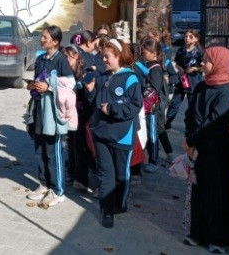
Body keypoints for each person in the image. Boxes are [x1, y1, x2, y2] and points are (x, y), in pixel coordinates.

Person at [182, 46, 229, 253]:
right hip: (199, 148)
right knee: (199, 189)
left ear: (219, 64)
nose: (203, 63)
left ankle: (217, 238)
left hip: (217, 151)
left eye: (207, 60)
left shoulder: (226, 91)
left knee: (217, 193)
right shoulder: (202, 86)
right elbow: (189, 113)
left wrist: (191, 140)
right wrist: (189, 137)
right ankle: (198, 233)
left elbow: (213, 122)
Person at [85, 39, 142, 228]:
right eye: (102, 56)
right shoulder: (104, 77)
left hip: (121, 135)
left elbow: (135, 106)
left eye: (107, 56)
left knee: (121, 175)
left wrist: (112, 109)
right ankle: (107, 210)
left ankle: (120, 204)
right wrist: (90, 91)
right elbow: (96, 102)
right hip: (100, 133)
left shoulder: (130, 78)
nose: (104, 59)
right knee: (105, 174)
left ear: (118, 56)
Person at [25, 25, 74, 207]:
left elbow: (70, 84)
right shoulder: (40, 59)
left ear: (55, 41)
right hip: (39, 109)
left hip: (53, 113)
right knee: (39, 150)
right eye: (42, 36)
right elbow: (38, 80)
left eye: (45, 37)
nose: (42, 39)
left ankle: (57, 190)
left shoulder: (61, 60)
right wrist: (33, 86)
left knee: (53, 151)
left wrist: (50, 87)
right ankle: (44, 183)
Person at [63, 45, 92, 192]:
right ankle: (72, 172)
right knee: (71, 144)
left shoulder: (85, 73)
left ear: (75, 56)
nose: (65, 60)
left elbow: (89, 96)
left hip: (82, 114)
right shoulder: (66, 72)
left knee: (80, 147)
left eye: (67, 57)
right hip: (70, 113)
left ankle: (81, 178)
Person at [140, 37, 171, 172]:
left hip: (152, 109)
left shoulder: (155, 69)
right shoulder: (149, 66)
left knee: (153, 134)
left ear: (154, 53)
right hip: (147, 108)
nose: (143, 54)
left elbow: (153, 89)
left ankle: (154, 160)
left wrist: (144, 101)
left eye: (146, 52)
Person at [165, 29, 204, 131]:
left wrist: (195, 68)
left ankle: (192, 127)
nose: (187, 38)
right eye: (186, 36)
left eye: (190, 36)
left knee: (193, 105)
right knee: (174, 103)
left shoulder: (199, 52)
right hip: (182, 80)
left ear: (196, 39)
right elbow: (176, 63)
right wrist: (179, 68)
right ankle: (167, 123)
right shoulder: (181, 50)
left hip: (194, 81)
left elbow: (204, 67)